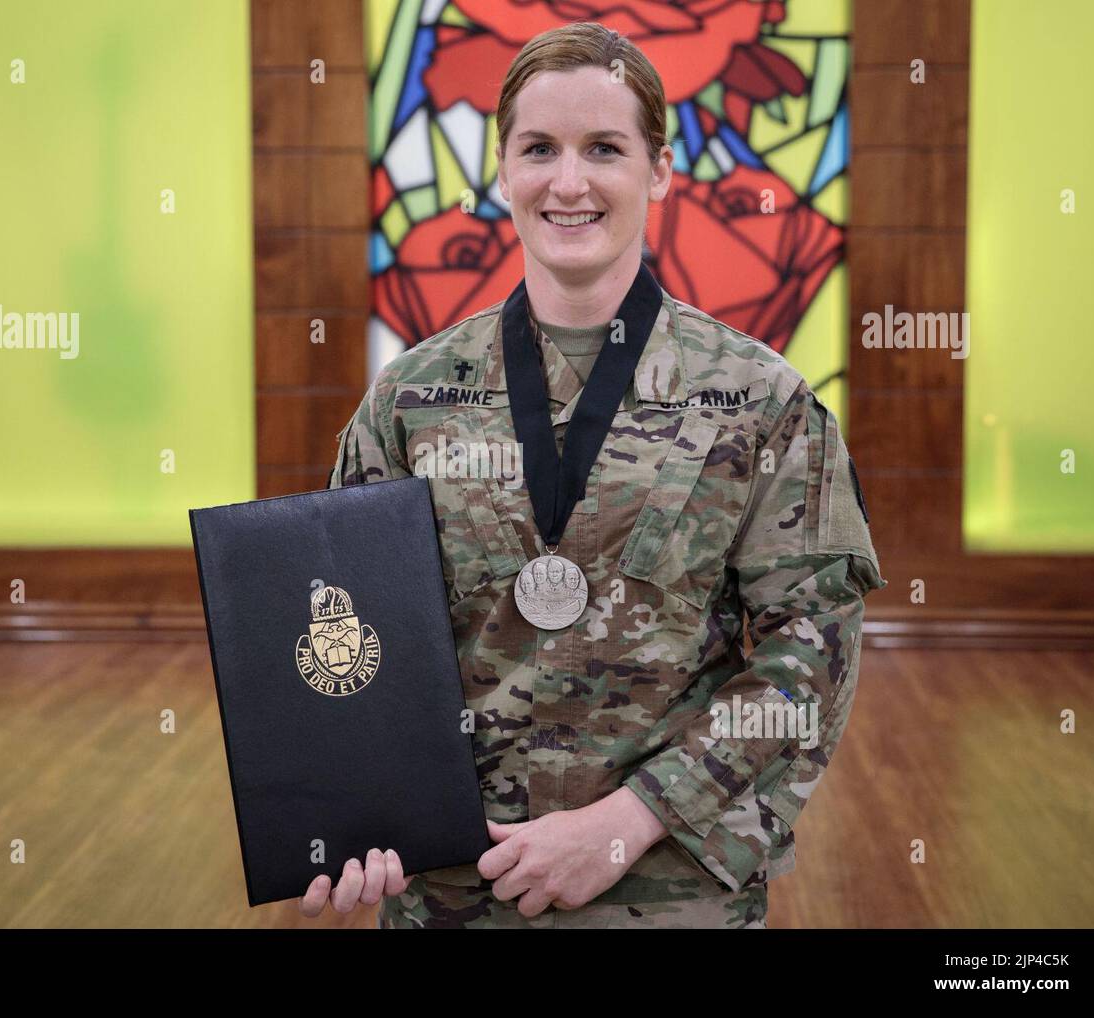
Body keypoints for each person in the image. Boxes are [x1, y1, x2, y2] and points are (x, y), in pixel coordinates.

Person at [305, 20, 886, 929]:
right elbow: (343, 639)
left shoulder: (762, 401)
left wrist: (627, 822)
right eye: (540, 149)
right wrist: (346, 820)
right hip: (455, 886)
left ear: (658, 171)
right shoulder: (409, 402)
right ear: (503, 171)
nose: (568, 182)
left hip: (668, 891)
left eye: (604, 149)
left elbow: (806, 656)